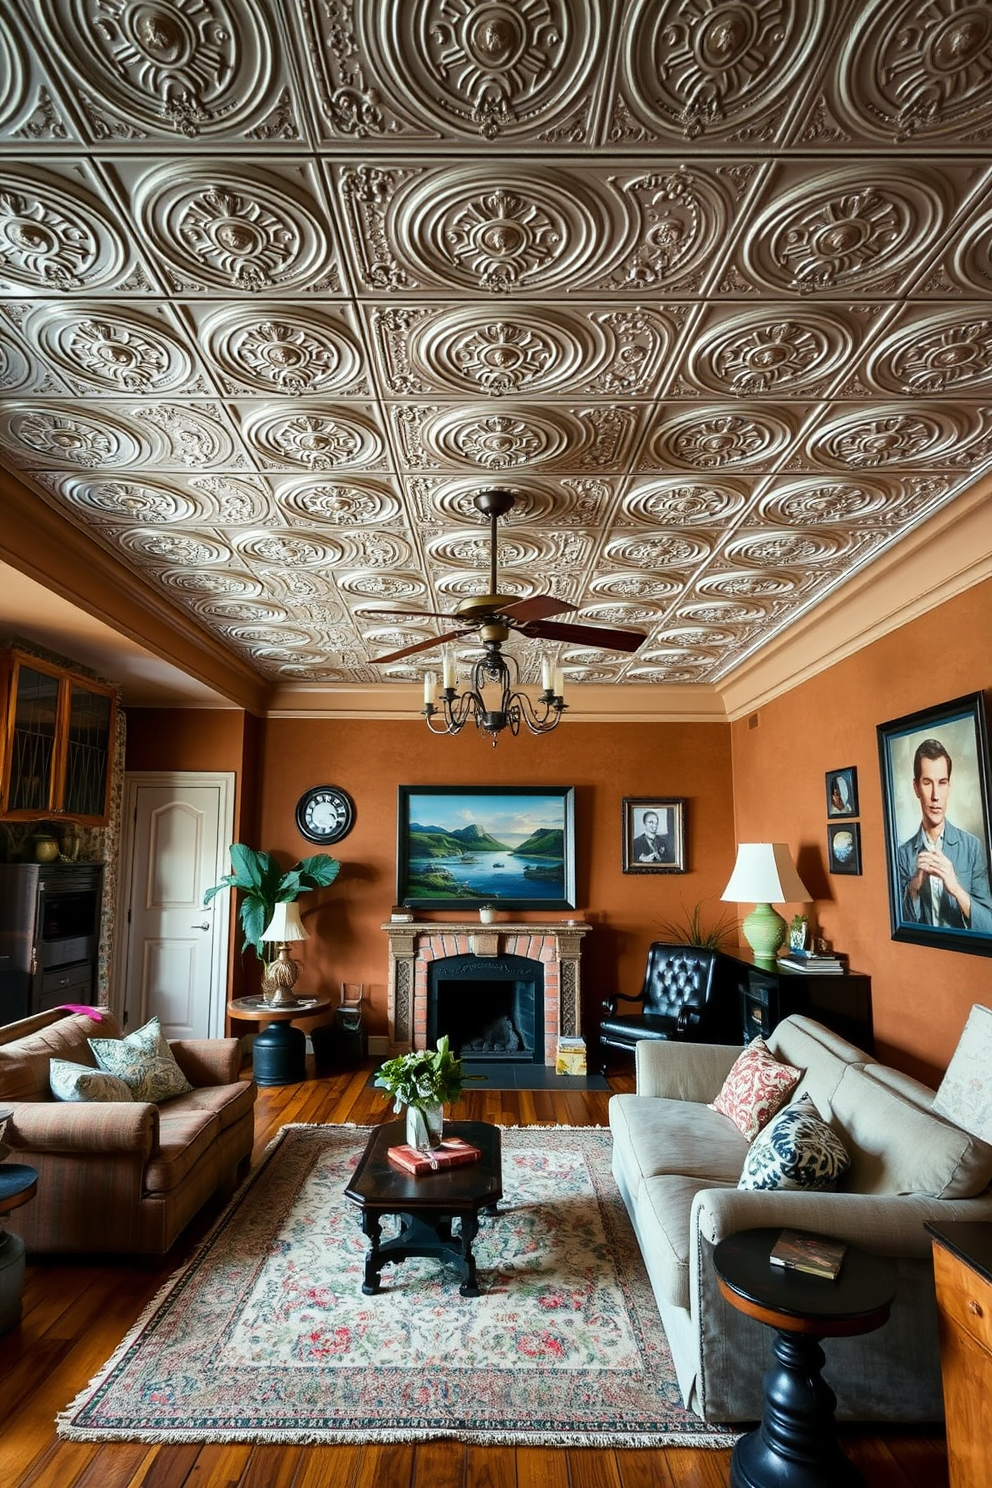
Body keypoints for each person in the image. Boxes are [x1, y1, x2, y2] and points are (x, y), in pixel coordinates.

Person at [896, 738, 992, 933]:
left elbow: (989, 925)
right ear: (916, 788)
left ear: (949, 786)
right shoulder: (902, 855)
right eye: (927, 783)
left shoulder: (973, 848)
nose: (935, 796)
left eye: (942, 783)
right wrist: (914, 888)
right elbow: (897, 929)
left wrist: (956, 888)